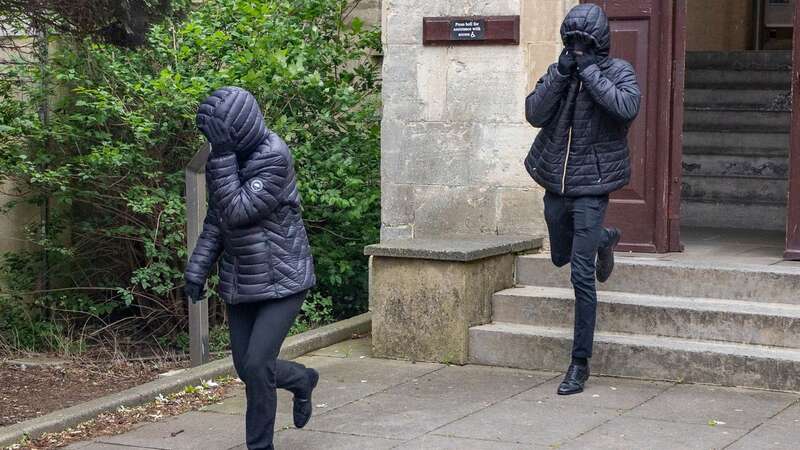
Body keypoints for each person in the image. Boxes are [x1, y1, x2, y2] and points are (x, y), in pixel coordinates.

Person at [184, 86, 318, 449]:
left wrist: (223, 155)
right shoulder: (224, 157)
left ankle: (260, 446)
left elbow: (239, 211)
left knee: (258, 365)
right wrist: (198, 268)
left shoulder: (274, 156)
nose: (213, 142)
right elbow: (217, 217)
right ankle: (302, 380)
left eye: (217, 135)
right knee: (247, 369)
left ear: (235, 129)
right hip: (242, 280)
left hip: (285, 277)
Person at [524, 4, 641, 395]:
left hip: (592, 185)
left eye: (583, 42)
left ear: (599, 42)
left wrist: (590, 71)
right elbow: (534, 113)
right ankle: (605, 240)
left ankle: (579, 363)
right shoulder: (562, 71)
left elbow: (626, 107)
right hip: (555, 183)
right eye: (570, 42)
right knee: (562, 255)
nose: (576, 48)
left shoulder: (617, 71)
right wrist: (560, 73)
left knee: (580, 275)